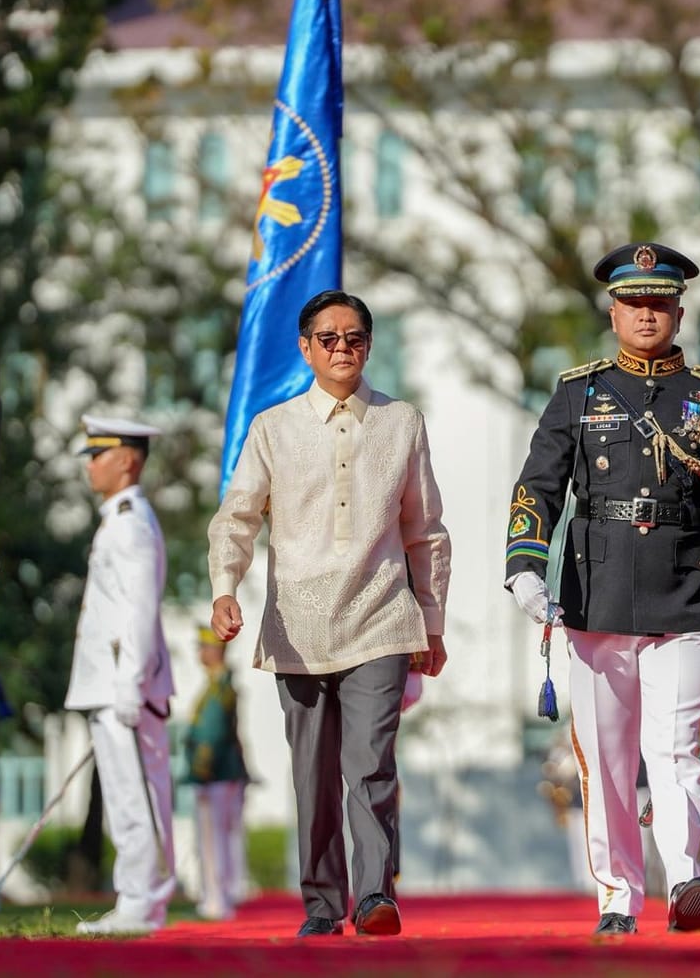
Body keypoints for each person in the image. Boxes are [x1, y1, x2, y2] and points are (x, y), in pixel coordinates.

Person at [501, 243, 700, 935]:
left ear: (680, 312)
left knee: (676, 749)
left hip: (682, 593)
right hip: (594, 597)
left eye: (659, 303)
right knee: (607, 759)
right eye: (634, 303)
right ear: (613, 311)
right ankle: (619, 894)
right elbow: (538, 484)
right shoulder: (579, 393)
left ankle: (686, 877)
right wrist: (525, 564)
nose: (646, 314)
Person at [207, 289, 450, 939]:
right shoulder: (272, 428)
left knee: (370, 763)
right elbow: (235, 520)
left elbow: (425, 532)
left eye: (356, 338)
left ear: (370, 346)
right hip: (300, 624)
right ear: (306, 347)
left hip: (381, 618)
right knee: (313, 775)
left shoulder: (402, 423)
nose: (344, 349)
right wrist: (224, 588)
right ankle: (321, 904)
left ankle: (374, 896)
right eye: (330, 339)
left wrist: (431, 621)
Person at [65, 416, 177, 934]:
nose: (89, 464)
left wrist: (130, 684)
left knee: (137, 795)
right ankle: (137, 898)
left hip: (122, 685)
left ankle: (142, 900)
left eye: (99, 453)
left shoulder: (131, 522)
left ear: (127, 460)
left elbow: (138, 611)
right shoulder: (119, 519)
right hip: (109, 683)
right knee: (125, 793)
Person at [186, 626, 251, 922]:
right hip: (222, 774)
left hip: (215, 774)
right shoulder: (218, 684)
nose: (200, 652)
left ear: (215, 651)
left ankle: (217, 899)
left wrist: (201, 770)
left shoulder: (220, 686)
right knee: (218, 839)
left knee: (213, 841)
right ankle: (218, 896)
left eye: (203, 646)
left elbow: (213, 733)